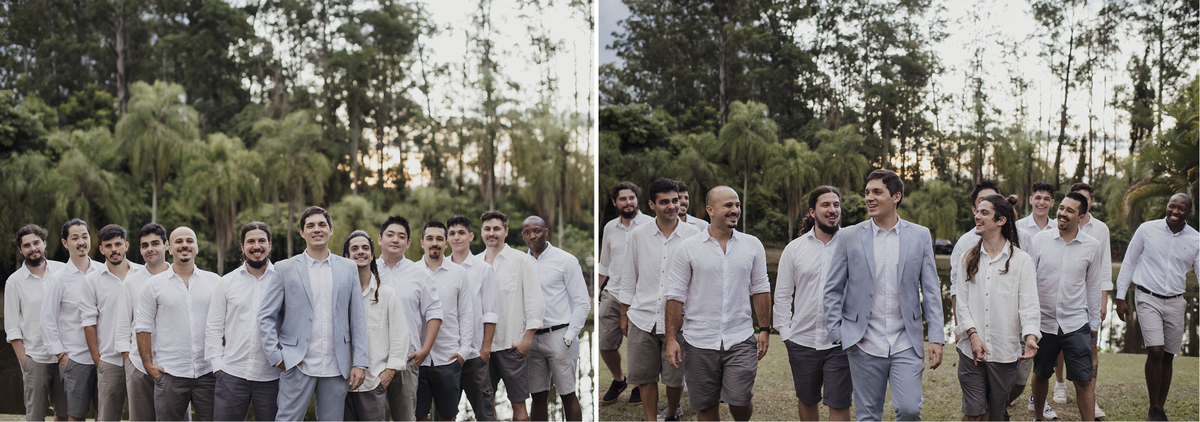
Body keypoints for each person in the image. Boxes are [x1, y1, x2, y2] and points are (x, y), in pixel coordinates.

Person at [823, 169, 945, 421]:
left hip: (906, 341)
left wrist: (936, 337)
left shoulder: (920, 235)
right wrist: (839, 333)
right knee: (867, 415)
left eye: (877, 192)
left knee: (910, 409)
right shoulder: (848, 236)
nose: (870, 198)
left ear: (896, 196)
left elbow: (932, 290)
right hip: (864, 341)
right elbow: (832, 289)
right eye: (867, 192)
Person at [664, 185, 770, 422]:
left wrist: (764, 329)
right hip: (698, 340)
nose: (735, 210)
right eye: (728, 205)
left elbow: (761, 289)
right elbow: (675, 295)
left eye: (738, 205)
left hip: (740, 337)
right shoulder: (688, 248)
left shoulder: (753, 245)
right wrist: (671, 338)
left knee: (740, 399)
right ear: (710, 210)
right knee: (706, 405)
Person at [257, 206, 369, 421]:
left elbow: (357, 319)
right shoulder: (284, 268)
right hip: (296, 363)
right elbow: (265, 317)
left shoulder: (348, 268)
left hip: (337, 366)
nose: (317, 229)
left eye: (322, 225)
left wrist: (360, 362)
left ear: (331, 230)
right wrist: (277, 357)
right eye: (310, 225)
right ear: (302, 232)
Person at [953, 195, 1041, 421]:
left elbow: (1029, 306)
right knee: (974, 413)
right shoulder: (967, 258)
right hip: (970, 352)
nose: (977, 216)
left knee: (996, 414)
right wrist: (972, 335)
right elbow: (961, 303)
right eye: (977, 212)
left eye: (984, 213)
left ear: (1001, 220)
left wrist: (1030, 336)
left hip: (1004, 353)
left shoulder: (1022, 261)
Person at [618, 178, 699, 421]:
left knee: (675, 376)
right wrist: (624, 313)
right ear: (652, 204)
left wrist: (689, 312)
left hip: (680, 319)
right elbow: (629, 275)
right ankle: (651, 419)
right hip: (642, 316)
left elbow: (698, 279)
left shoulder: (693, 234)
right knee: (645, 375)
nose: (672, 206)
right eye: (664, 202)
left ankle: (672, 412)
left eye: (675, 201)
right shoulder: (638, 234)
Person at [1113, 193, 1197, 421]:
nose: (1175, 211)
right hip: (1147, 296)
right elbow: (1129, 262)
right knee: (1156, 350)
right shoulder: (1146, 229)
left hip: (1177, 301)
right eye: (1172, 206)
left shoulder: (1196, 239)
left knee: (1168, 355)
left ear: (1189, 212)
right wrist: (1120, 298)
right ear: (1167, 207)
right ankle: (1154, 408)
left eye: (1181, 208)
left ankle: (1161, 406)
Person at [774, 186, 852, 421]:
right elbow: (782, 295)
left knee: (839, 403)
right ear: (812, 211)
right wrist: (786, 333)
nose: (832, 210)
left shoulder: (852, 245)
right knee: (807, 400)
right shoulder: (794, 249)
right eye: (826, 205)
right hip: (802, 341)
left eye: (836, 205)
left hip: (840, 342)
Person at [1026, 192, 1104, 421]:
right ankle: (1039, 418)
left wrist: (1094, 324)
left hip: (1076, 323)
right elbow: (1028, 281)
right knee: (1040, 374)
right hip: (1044, 323)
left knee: (1083, 379)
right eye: (1061, 208)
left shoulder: (1092, 246)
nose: (1062, 213)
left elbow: (1093, 286)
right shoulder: (1039, 241)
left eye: (1070, 210)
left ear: (1081, 217)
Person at [134, 226, 220, 420]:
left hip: (207, 373)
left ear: (197, 247)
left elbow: (223, 325)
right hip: (169, 373)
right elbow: (143, 327)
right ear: (169, 248)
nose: (184, 245)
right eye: (179, 241)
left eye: (189, 241)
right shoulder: (153, 285)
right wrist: (148, 365)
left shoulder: (214, 282)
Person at [205, 222, 281, 421]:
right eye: (251, 241)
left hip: (272, 377)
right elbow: (214, 327)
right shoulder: (227, 282)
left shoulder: (282, 281)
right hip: (231, 374)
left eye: (262, 241)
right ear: (242, 247)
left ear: (270, 245)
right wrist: (217, 366)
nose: (257, 246)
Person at [479, 210, 544, 421]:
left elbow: (535, 301)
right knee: (485, 404)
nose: (492, 233)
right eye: (487, 229)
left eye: (496, 229)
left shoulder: (520, 260)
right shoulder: (475, 264)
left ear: (505, 231)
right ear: (481, 233)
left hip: (511, 345)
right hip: (482, 348)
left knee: (518, 403)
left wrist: (526, 340)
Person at [523, 216, 589, 421]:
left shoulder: (565, 260)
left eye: (537, 231)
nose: (533, 235)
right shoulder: (520, 263)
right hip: (531, 339)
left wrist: (569, 337)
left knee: (567, 394)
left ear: (546, 231)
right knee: (537, 396)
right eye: (527, 232)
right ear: (523, 235)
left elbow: (582, 302)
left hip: (560, 336)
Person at [376, 216, 442, 421]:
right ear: (379, 239)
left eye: (401, 236)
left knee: (405, 417)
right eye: (390, 235)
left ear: (409, 243)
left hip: (406, 361)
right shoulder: (367, 271)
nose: (395, 239)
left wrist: (425, 349)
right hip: (372, 360)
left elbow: (434, 313)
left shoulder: (419, 273)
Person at [1056, 183, 1112, 418]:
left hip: (1086, 305)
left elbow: (1104, 270)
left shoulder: (1100, 230)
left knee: (1091, 348)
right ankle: (1059, 384)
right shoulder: (1056, 227)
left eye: (1084, 200)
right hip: (1059, 306)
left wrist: (1102, 302)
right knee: (1056, 348)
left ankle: (1092, 397)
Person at [341, 231, 409, 421]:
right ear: (346, 256)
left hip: (373, 382)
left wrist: (389, 371)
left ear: (372, 255)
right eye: (354, 249)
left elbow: (400, 334)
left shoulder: (386, 293)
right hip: (341, 382)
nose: (360, 252)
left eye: (365, 248)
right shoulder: (339, 293)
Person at [80, 225, 144, 421]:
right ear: (101, 250)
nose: (114, 249)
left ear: (126, 245)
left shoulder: (143, 275)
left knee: (142, 415)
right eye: (108, 245)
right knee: (107, 416)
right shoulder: (91, 280)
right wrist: (98, 359)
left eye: (118, 244)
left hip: (140, 359)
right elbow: (88, 322)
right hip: (109, 360)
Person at [41, 219, 102, 422]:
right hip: (76, 359)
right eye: (74, 238)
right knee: (75, 415)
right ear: (65, 243)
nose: (81, 242)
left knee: (104, 413)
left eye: (84, 236)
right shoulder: (58, 279)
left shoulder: (103, 272)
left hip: (106, 357)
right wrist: (61, 356)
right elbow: (47, 320)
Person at [6, 224, 68, 421]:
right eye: (26, 245)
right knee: (35, 415)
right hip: (35, 358)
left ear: (44, 243)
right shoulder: (14, 282)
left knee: (66, 413)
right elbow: (12, 327)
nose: (32, 248)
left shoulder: (63, 271)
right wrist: (25, 361)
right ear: (20, 249)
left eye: (36, 242)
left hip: (64, 356)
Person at [598, 181, 652, 406]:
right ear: (614, 202)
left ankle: (639, 385)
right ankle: (620, 379)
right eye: (623, 199)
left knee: (638, 344)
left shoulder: (652, 224)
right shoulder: (610, 227)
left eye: (631, 198)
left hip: (641, 294)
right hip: (613, 292)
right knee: (605, 344)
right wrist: (595, 293)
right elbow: (604, 264)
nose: (628, 202)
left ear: (636, 199)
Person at [415, 221, 474, 421]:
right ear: (421, 242)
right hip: (417, 359)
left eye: (439, 239)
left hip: (448, 359)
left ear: (446, 243)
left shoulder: (459, 274)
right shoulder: (412, 273)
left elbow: (466, 313)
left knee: (447, 416)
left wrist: (464, 350)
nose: (435, 243)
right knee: (418, 415)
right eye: (430, 239)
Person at [115, 223, 171, 421]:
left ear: (167, 245)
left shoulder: (180, 278)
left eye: (155, 243)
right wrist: (128, 361)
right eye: (145, 245)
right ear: (140, 249)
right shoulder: (131, 282)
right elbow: (123, 324)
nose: (150, 249)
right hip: (138, 365)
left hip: (175, 367)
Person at [447, 215, 499, 421]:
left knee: (485, 413)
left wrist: (485, 350)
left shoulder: (484, 270)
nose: (456, 237)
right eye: (452, 233)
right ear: (447, 238)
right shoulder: (438, 269)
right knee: (445, 413)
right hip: (446, 355)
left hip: (474, 355)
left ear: (470, 236)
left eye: (461, 233)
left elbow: (490, 312)